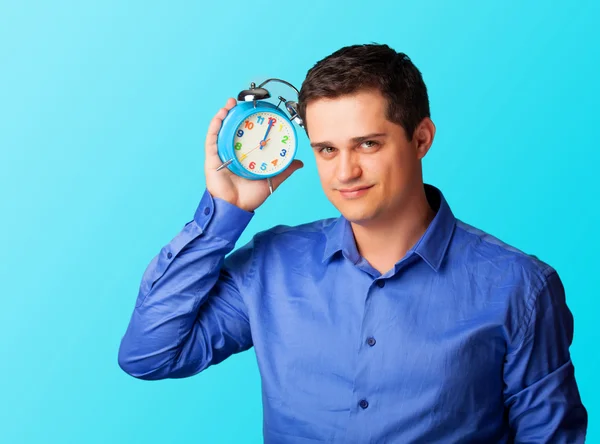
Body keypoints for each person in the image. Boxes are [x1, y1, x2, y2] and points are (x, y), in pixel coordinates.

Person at [118, 44, 587, 443]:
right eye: (327, 150)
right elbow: (151, 355)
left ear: (421, 138)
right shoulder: (271, 266)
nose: (345, 173)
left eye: (367, 145)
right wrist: (226, 212)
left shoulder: (520, 287)